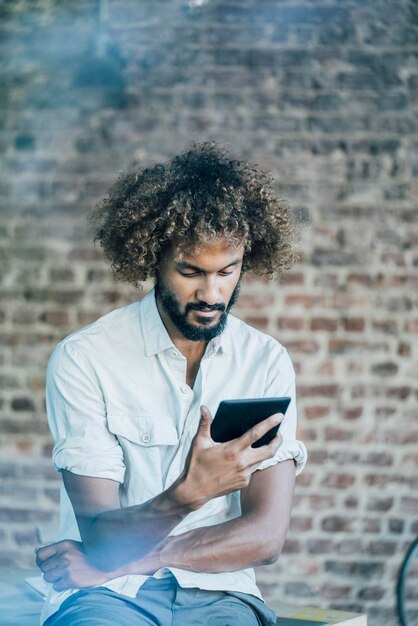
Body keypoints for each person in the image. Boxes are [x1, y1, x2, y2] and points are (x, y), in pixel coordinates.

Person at [35, 142, 307, 626]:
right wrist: (189, 493)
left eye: (228, 272)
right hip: (107, 599)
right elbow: (99, 539)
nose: (212, 293)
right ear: (152, 258)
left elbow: (265, 538)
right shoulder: (86, 358)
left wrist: (142, 558)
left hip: (220, 594)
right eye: (190, 272)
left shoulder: (265, 361)